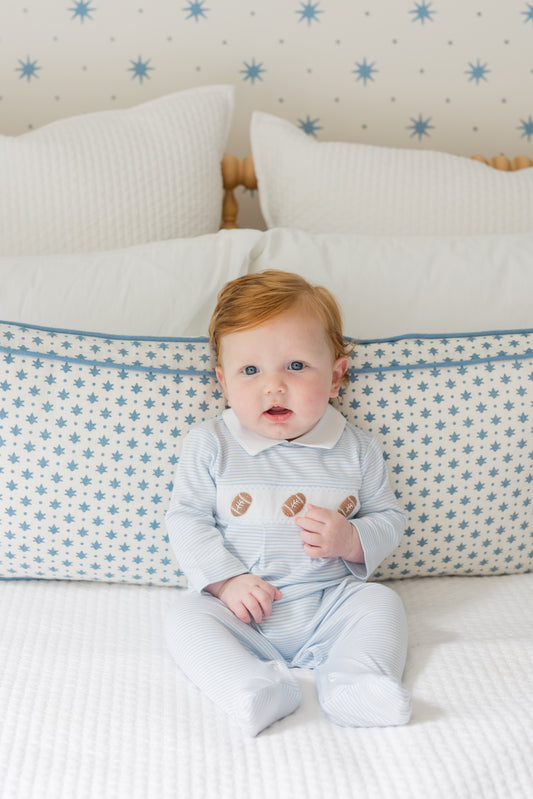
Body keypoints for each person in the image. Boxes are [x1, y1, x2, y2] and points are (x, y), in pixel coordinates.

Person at [164, 270, 411, 736]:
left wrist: (351, 537)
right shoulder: (211, 444)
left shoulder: (356, 449)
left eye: (296, 366)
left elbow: (390, 517)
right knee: (184, 617)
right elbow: (187, 520)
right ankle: (250, 687)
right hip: (239, 612)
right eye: (250, 370)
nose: (273, 386)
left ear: (336, 375)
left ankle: (357, 681)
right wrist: (227, 581)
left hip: (327, 603)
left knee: (382, 604)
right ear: (223, 381)